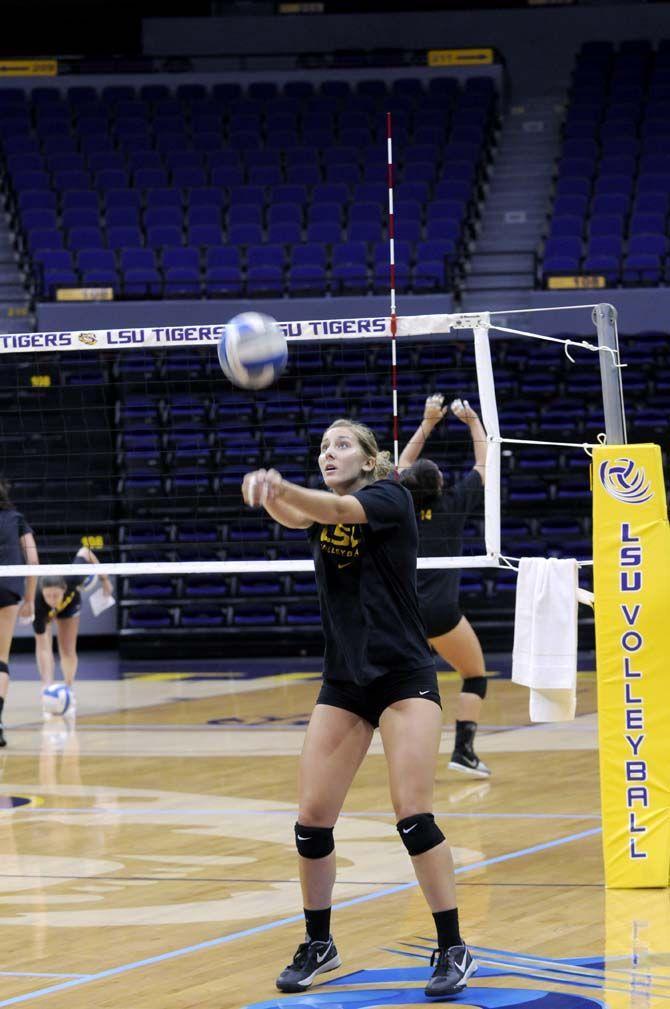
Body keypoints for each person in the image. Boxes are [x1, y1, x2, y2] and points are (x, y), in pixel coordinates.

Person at [242, 419, 477, 999]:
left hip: (403, 676)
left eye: (341, 445)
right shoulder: (323, 510)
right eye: (323, 446)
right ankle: (318, 943)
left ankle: (452, 945)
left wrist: (281, 486)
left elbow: (331, 511)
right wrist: (274, 496)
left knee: (413, 816)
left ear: (371, 461)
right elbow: (301, 516)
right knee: (311, 822)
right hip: (345, 680)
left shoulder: (389, 497)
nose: (329, 452)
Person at [399, 393, 491, 778]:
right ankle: (464, 752)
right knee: (475, 676)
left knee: (404, 689)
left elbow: (404, 464)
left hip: (403, 613)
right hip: (441, 613)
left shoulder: (398, 504)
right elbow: (484, 461)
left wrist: (427, 422)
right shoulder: (452, 504)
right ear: (438, 485)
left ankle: (406, 757)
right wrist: (471, 421)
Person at [34, 545, 113, 713]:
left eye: (55, 595)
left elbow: (86, 551)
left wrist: (104, 579)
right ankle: (48, 686)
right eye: (48, 595)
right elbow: (43, 649)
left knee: (67, 650)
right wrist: (45, 685)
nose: (52, 599)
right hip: (44, 612)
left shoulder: (74, 576)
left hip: (70, 605)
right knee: (45, 647)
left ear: (64, 589)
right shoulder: (39, 601)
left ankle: (69, 687)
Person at [0, 481, 39, 747]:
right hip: (9, 590)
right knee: (1, 658)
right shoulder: (16, 519)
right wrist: (29, 599)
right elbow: (34, 561)